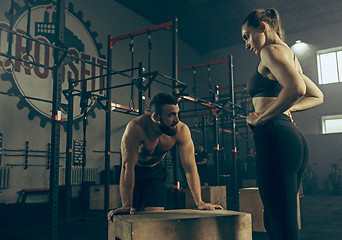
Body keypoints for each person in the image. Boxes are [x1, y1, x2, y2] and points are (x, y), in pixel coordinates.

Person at [242, 8, 323, 240]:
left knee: (281, 222)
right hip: (289, 137)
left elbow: (297, 89)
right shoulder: (288, 56)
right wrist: (285, 108)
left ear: (263, 27)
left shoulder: (269, 51)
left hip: (276, 135)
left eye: (247, 35)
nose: (247, 44)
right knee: (277, 217)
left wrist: (263, 116)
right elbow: (316, 95)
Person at [107, 93, 223, 220]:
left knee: (154, 219)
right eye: (171, 115)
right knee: (129, 217)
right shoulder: (136, 128)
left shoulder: (181, 130)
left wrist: (200, 202)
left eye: (177, 113)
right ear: (156, 117)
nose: (177, 119)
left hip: (155, 172)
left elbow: (189, 167)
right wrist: (126, 204)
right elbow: (127, 167)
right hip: (134, 171)